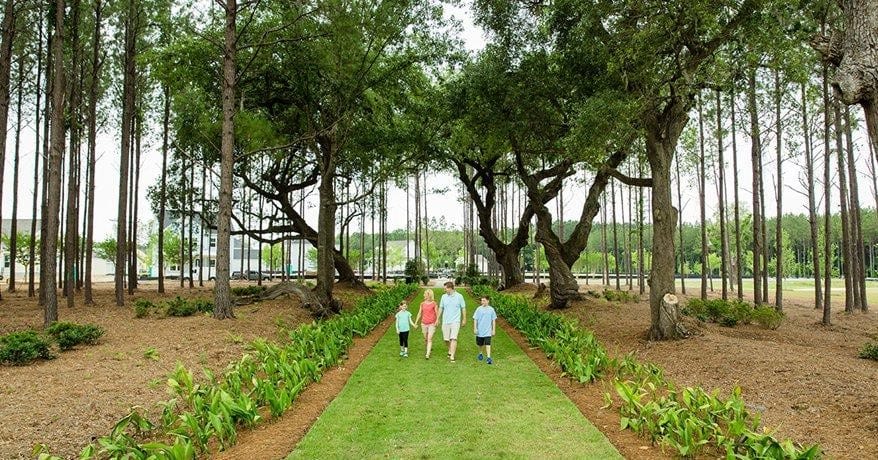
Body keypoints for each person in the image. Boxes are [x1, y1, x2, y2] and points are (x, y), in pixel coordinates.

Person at [437, 281, 466, 362]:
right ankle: (450, 349)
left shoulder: (459, 296)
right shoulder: (443, 297)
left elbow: (463, 308)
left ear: (450, 288)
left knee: (453, 338)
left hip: (455, 321)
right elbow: (441, 308)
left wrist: (464, 319)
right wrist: (437, 318)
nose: (444, 290)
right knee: (446, 339)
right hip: (445, 321)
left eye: (445, 288)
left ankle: (452, 355)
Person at [472, 295, 497, 365]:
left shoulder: (491, 310)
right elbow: (475, 319)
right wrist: (475, 328)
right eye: (481, 300)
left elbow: (493, 320)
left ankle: (489, 357)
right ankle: (480, 353)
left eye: (484, 301)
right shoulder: (478, 309)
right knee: (480, 344)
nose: (482, 302)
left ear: (488, 301)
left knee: (488, 343)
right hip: (480, 331)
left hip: (488, 331)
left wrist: (493, 330)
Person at [414, 289, 438, 359]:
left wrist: (437, 320)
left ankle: (427, 354)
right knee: (426, 338)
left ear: (429, 295)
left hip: (432, 324)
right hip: (424, 323)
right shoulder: (422, 304)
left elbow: (437, 313)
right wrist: (415, 322)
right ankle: (428, 347)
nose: (423, 295)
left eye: (425, 294)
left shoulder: (434, 303)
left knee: (429, 338)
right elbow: (419, 313)